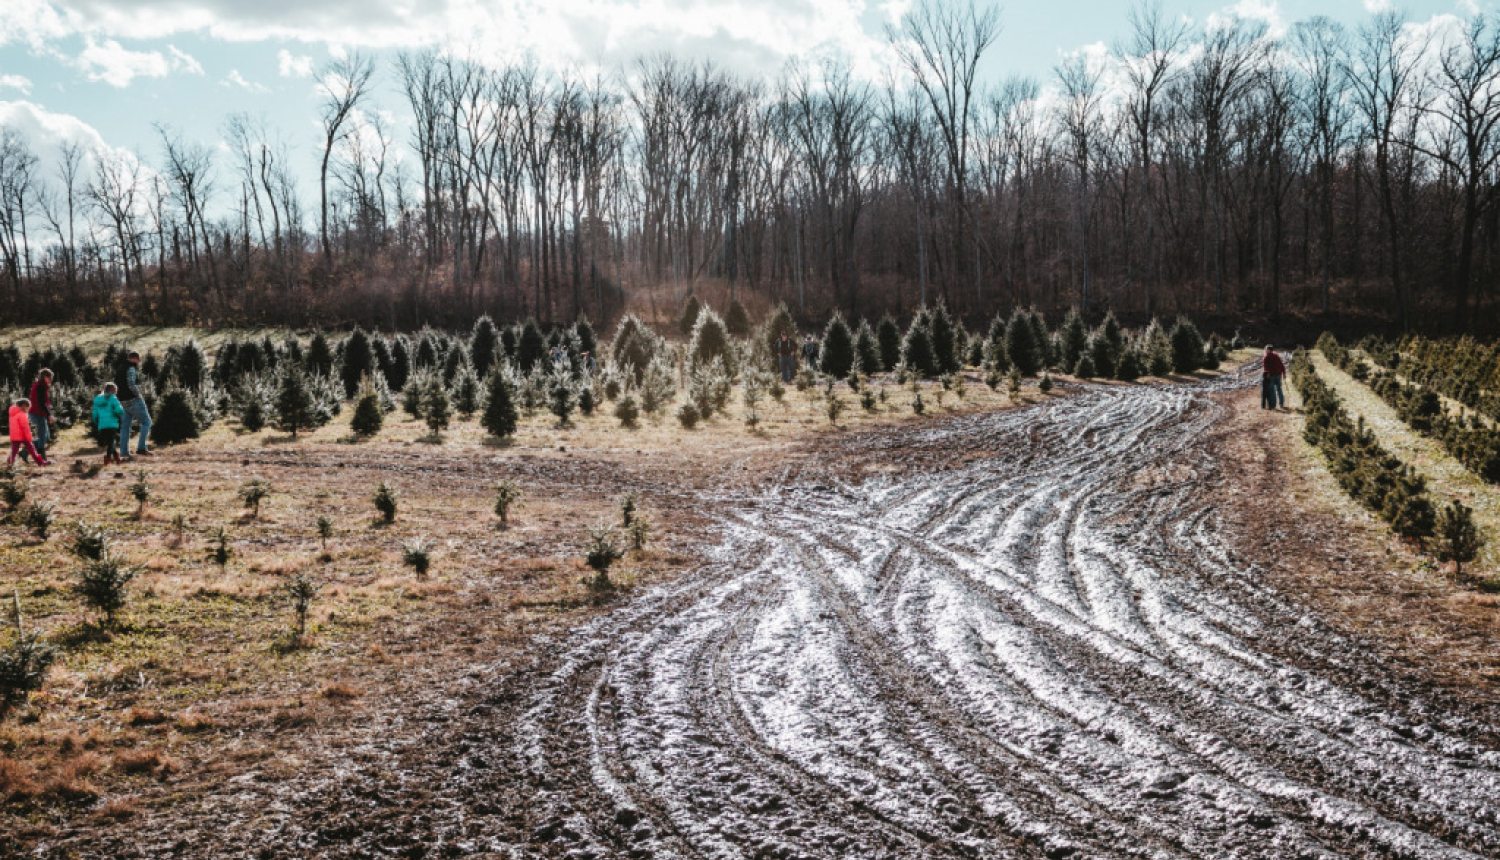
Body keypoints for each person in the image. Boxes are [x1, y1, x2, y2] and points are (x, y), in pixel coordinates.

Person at [115, 350, 153, 459]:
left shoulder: (120, 368)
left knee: (125, 427)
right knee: (147, 422)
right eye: (138, 360)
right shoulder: (130, 368)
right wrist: (138, 395)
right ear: (134, 358)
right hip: (133, 400)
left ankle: (124, 452)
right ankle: (141, 448)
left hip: (122, 401)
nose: (138, 362)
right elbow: (131, 383)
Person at [8, 398, 50, 466]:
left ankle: (10, 463)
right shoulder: (22, 414)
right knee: (32, 450)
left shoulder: (13, 413)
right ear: (24, 406)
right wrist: (29, 437)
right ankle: (40, 462)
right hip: (23, 436)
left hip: (14, 435)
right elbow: (25, 427)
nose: (28, 410)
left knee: (14, 451)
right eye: (28, 408)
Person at [92, 382, 125, 466]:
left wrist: (97, 422)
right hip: (112, 424)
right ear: (113, 391)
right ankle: (107, 460)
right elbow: (120, 410)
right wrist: (114, 413)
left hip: (102, 425)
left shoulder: (97, 399)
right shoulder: (112, 398)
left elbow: (94, 414)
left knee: (110, 442)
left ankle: (117, 459)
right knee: (111, 442)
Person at [27, 368, 53, 462]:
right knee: (42, 436)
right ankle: (42, 458)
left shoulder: (40, 385)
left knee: (46, 436)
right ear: (45, 377)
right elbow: (42, 403)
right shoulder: (41, 386)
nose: (51, 380)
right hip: (38, 413)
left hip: (37, 413)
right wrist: (49, 415)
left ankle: (25, 451)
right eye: (50, 378)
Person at [1261, 345, 1286, 409]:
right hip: (1278, 374)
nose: (1265, 350)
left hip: (1271, 375)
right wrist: (1284, 373)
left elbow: (1265, 368)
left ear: (1269, 350)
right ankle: (1281, 403)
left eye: (1266, 349)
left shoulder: (1266, 357)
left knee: (1272, 391)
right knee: (1279, 389)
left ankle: (1273, 406)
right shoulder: (1276, 356)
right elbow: (1281, 364)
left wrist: (1267, 375)